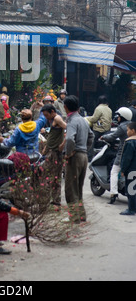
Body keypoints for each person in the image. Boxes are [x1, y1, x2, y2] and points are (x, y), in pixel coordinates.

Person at [63, 95, 94, 223]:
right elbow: (92, 136)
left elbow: (70, 138)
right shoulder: (83, 120)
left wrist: (68, 153)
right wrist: (84, 148)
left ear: (65, 107)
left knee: (71, 188)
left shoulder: (71, 121)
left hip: (75, 157)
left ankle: (74, 217)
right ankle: (81, 216)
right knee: (78, 188)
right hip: (84, 156)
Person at [101, 107, 133, 204]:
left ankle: (113, 193)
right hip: (132, 152)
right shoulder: (132, 125)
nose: (118, 118)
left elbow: (112, 136)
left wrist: (103, 137)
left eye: (119, 116)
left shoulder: (122, 127)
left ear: (122, 117)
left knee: (114, 171)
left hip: (123, 152)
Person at [41, 104, 67, 206]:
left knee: (54, 176)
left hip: (56, 152)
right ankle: (52, 199)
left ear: (52, 111)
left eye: (47, 115)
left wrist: (63, 144)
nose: (46, 117)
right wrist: (45, 148)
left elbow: (69, 129)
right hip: (51, 151)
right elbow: (52, 135)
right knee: (49, 174)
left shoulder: (57, 118)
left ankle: (55, 200)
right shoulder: (53, 119)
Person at [86, 95, 112, 162]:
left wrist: (87, 118)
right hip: (107, 129)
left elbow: (94, 119)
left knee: (91, 139)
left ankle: (89, 157)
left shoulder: (98, 108)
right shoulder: (109, 109)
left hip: (99, 129)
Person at [120, 122, 136, 216]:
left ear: (133, 131)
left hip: (131, 170)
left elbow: (127, 158)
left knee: (131, 190)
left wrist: (123, 169)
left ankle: (131, 209)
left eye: (128, 130)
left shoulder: (130, 142)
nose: (127, 132)